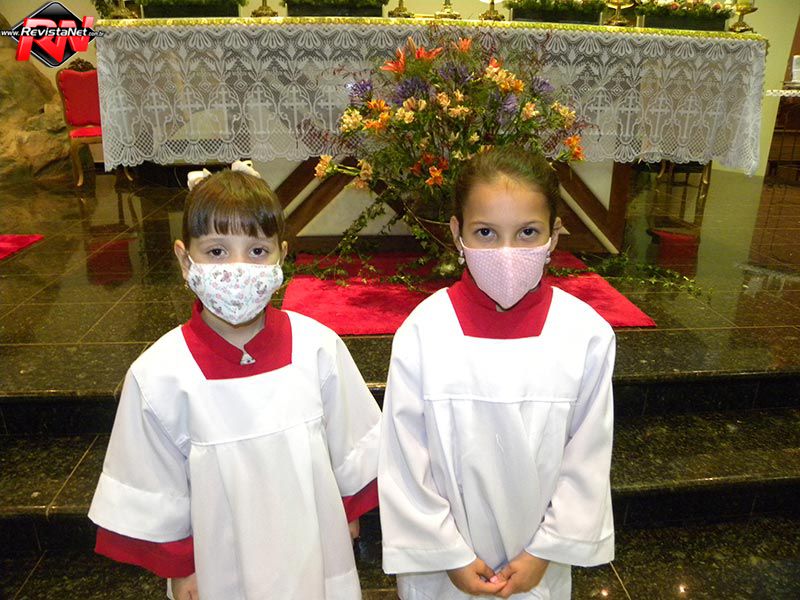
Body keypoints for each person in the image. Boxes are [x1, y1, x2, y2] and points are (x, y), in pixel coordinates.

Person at [89, 161, 381, 600]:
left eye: (257, 251)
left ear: (282, 256)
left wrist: (349, 507)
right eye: (217, 252)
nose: (238, 269)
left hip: (314, 547)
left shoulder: (317, 348)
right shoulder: (160, 375)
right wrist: (182, 567)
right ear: (185, 259)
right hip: (218, 564)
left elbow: (350, 441)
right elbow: (155, 480)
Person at [378, 147, 615, 599]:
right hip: (446, 568)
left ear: (554, 235)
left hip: (536, 563)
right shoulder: (425, 332)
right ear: (457, 232)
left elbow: (587, 455)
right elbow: (405, 456)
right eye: (486, 232)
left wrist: (545, 551)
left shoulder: (584, 335)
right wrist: (448, 553)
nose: (507, 252)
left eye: (528, 232)